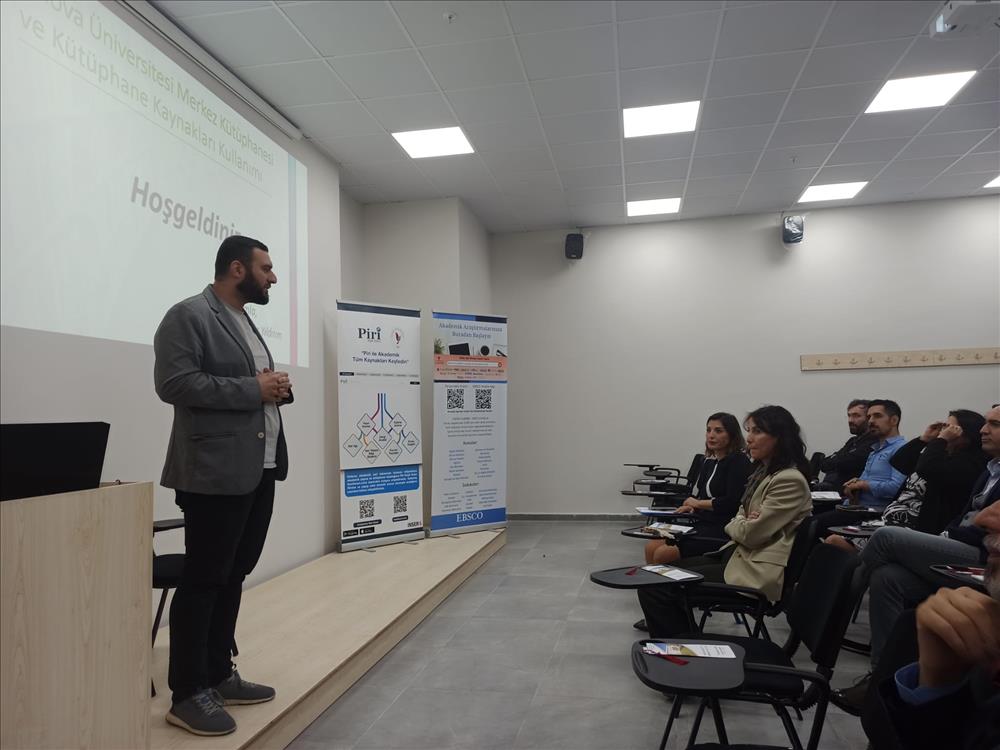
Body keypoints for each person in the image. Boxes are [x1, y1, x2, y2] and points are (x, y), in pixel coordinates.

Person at [154, 235, 293, 736]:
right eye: (266, 268)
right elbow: (174, 384)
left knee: (234, 574)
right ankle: (188, 693)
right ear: (238, 269)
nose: (272, 277)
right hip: (213, 473)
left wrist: (276, 389)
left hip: (258, 468)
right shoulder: (188, 315)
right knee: (205, 579)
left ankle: (217, 674)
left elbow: (249, 387)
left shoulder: (244, 320)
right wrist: (253, 388)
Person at [831, 404, 1000, 714]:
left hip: (979, 555)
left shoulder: (971, 462)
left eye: (995, 425)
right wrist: (925, 439)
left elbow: (931, 472)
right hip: (951, 541)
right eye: (984, 423)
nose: (984, 430)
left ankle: (830, 616)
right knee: (887, 578)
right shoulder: (989, 470)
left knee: (884, 538)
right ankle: (881, 675)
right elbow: (904, 463)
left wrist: (938, 443)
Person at [637, 405, 812, 637]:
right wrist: (743, 520)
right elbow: (741, 514)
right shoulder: (764, 473)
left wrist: (741, 522)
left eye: (757, 431)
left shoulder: (788, 480)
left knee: (656, 585)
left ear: (780, 437)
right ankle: (684, 641)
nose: (749, 438)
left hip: (753, 571)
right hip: (736, 555)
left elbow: (749, 533)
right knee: (655, 576)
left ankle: (681, 649)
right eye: (749, 431)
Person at [874, 500, 1000, 750]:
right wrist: (938, 680)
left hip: (961, 544)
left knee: (883, 538)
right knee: (887, 576)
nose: (984, 518)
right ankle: (876, 670)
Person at [824, 409, 987, 552]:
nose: (943, 431)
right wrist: (924, 439)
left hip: (917, 529)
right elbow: (899, 461)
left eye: (950, 428)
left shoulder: (968, 464)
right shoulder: (939, 456)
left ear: (967, 435)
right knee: (830, 539)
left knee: (834, 543)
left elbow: (928, 469)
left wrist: (940, 440)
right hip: (887, 521)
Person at [643, 412, 752, 564]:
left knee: (663, 553)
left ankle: (667, 579)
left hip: (723, 528)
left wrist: (698, 503)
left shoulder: (738, 462)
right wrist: (692, 507)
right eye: (708, 430)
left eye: (718, 431)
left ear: (731, 435)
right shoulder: (710, 463)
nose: (711, 435)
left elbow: (732, 502)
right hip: (702, 522)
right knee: (651, 546)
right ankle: (652, 580)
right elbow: (702, 496)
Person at [816, 399, 906, 536]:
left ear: (894, 420)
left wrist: (863, 485)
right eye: (869, 417)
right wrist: (853, 487)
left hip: (875, 513)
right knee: (808, 517)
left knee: (812, 525)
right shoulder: (875, 451)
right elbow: (859, 481)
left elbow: (896, 489)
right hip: (855, 508)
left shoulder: (901, 449)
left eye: (877, 416)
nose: (871, 421)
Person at [816, 399, 877, 490]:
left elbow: (846, 463)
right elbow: (824, 464)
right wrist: (840, 459)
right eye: (849, 416)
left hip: (851, 493)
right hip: (834, 491)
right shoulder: (852, 441)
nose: (850, 420)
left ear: (869, 418)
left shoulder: (874, 441)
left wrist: (838, 458)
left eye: (856, 416)